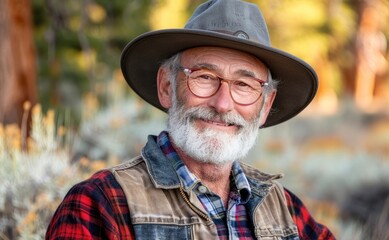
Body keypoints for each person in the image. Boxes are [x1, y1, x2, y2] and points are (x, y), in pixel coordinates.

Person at [46, 0, 336, 239]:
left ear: (264, 106)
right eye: (205, 77)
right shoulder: (99, 205)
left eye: (244, 85)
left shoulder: (286, 211)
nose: (223, 104)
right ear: (167, 87)